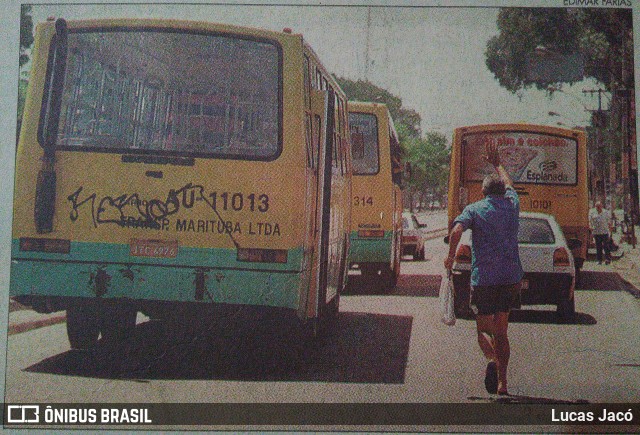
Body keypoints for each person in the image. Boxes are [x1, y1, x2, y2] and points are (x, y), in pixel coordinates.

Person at [444, 142, 523, 396]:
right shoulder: (512, 204)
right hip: (510, 278)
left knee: (483, 331)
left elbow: (456, 231)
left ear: (483, 191)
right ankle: (503, 384)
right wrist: (497, 163)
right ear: (501, 192)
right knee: (502, 333)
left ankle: (491, 360)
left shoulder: (475, 209)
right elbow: (509, 184)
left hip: (484, 279)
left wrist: (449, 258)